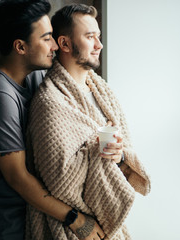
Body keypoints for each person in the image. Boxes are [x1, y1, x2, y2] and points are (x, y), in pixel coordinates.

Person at [0, 1, 105, 239]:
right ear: (20, 46)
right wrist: (77, 220)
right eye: (47, 38)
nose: (55, 46)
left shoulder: (36, 76)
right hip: (1, 228)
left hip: (30, 220)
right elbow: (18, 177)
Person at [26, 3, 151, 240]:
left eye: (99, 36)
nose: (99, 45)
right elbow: (60, 183)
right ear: (64, 44)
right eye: (90, 37)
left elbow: (124, 151)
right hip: (71, 228)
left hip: (105, 225)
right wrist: (96, 152)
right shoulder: (50, 102)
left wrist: (120, 155)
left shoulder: (102, 91)